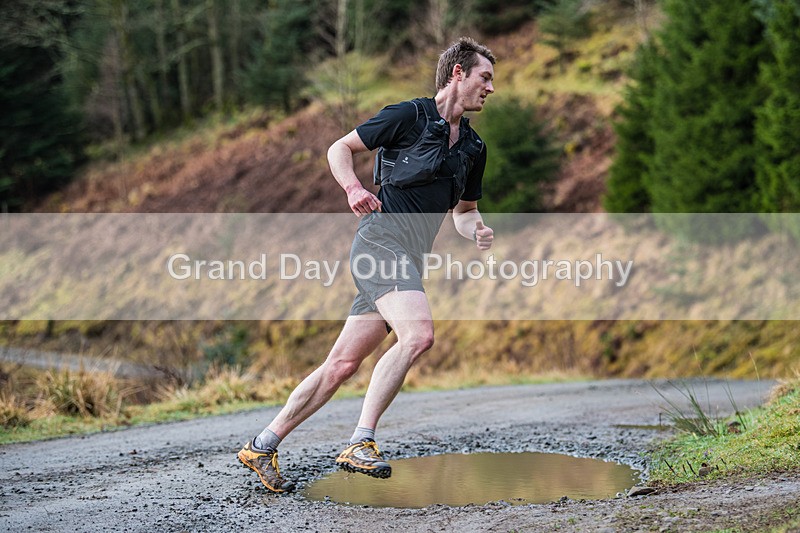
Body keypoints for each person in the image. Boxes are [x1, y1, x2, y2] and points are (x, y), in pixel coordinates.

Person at [238, 37, 496, 493]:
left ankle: (262, 444)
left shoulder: (473, 148)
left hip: (408, 259)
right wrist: (353, 189)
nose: (490, 88)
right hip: (380, 244)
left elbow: (464, 212)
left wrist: (475, 229)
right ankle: (361, 441)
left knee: (340, 365)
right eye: (485, 77)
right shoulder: (407, 117)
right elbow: (339, 148)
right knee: (419, 335)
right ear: (458, 73)